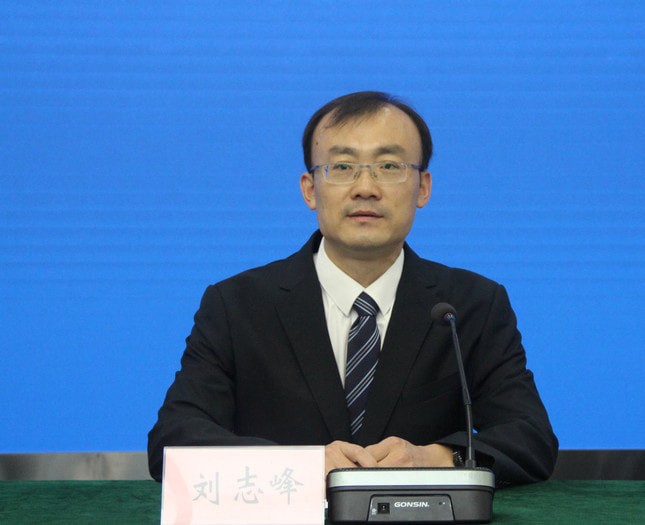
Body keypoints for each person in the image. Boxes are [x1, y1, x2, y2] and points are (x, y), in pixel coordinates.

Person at [147, 91, 558, 486]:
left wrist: (433, 458)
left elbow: (531, 438)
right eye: (342, 167)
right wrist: (299, 466)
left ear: (423, 187)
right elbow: (173, 439)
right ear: (310, 189)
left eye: (389, 166)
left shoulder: (469, 305)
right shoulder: (237, 305)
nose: (365, 187)